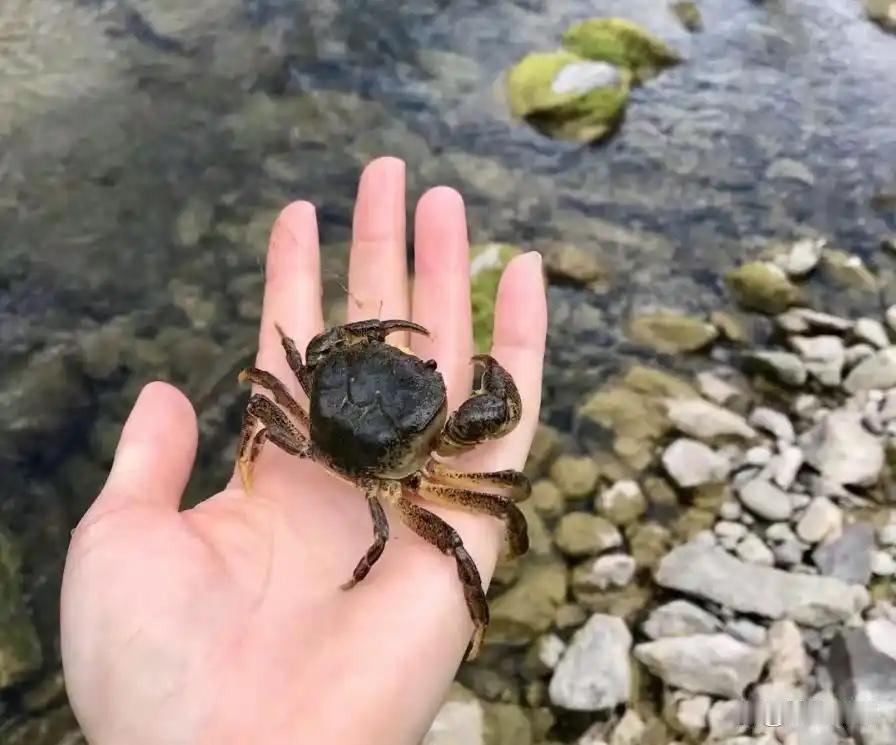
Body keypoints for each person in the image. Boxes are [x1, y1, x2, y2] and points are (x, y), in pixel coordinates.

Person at [60, 157, 547, 745]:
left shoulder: (307, 387)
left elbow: (298, 366)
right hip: (396, 483)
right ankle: (478, 626)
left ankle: (249, 466)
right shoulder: (434, 449)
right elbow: (505, 491)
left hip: (321, 446)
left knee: (267, 406)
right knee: (481, 529)